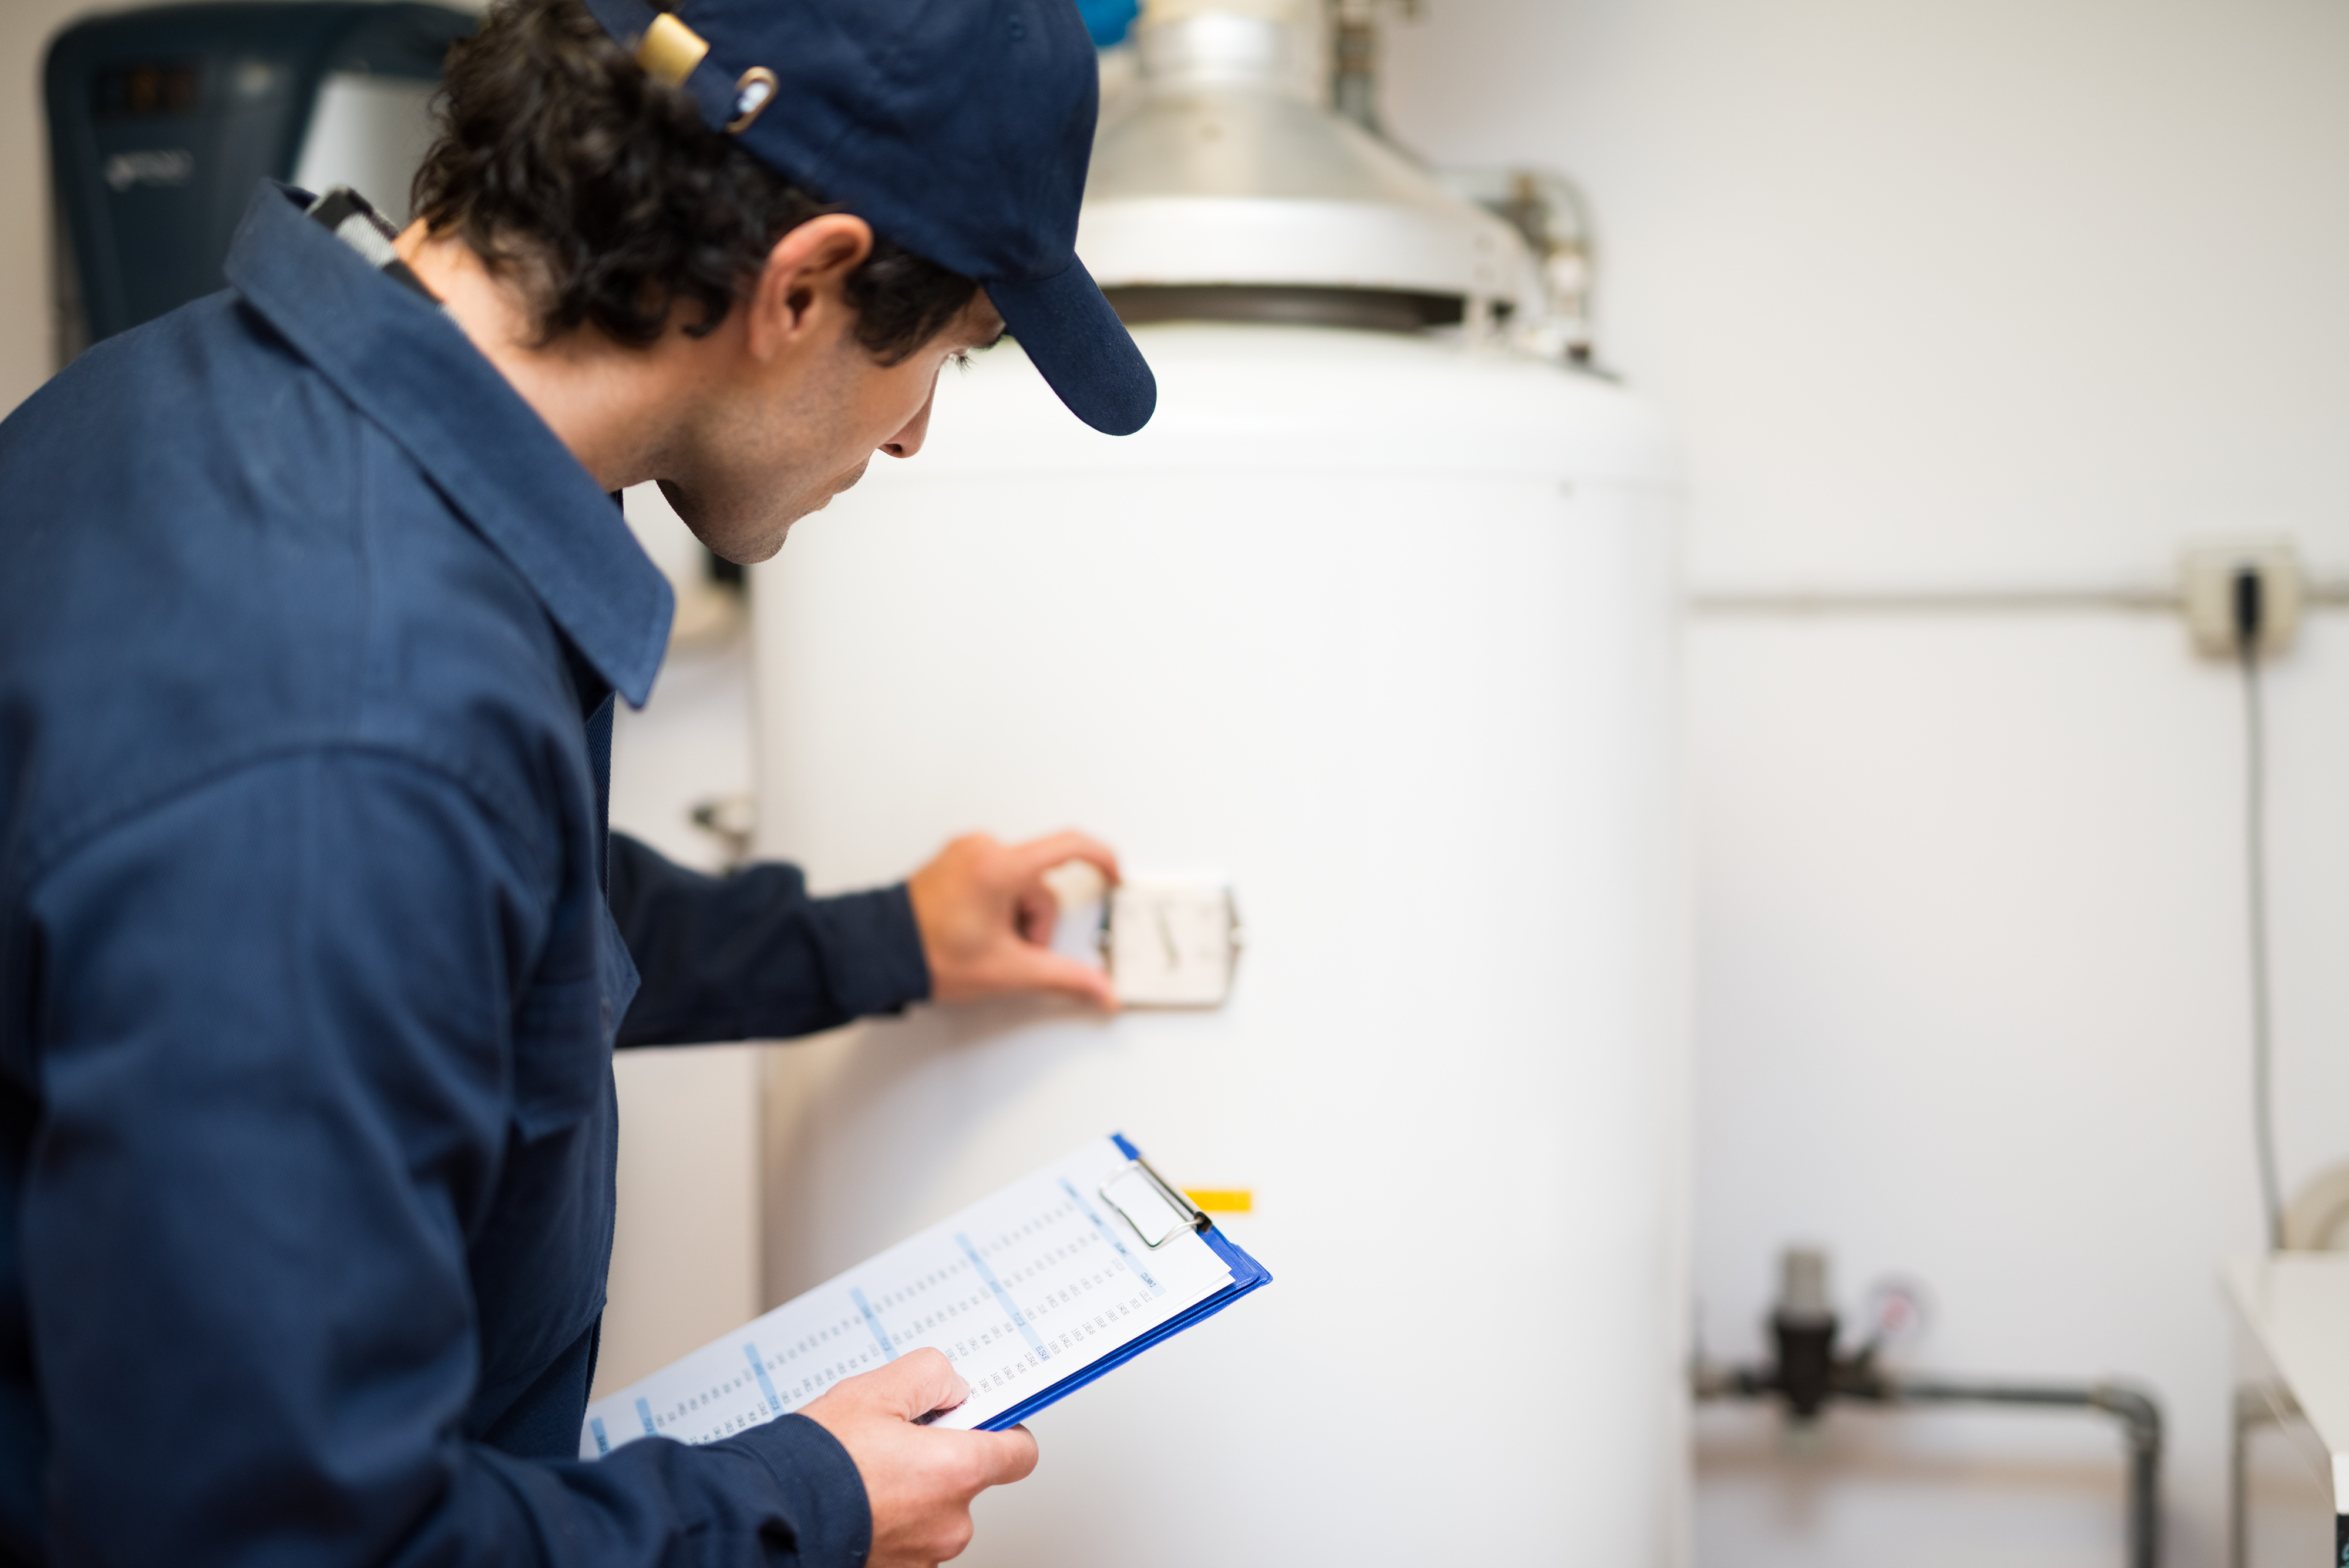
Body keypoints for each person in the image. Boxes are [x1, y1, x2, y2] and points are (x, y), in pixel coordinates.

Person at [0, 0, 1157, 1559]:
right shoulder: (347, 720)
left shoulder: (198, 411)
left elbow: (478, 925)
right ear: (804, 285)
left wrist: (884, 940)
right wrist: (801, 1506)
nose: (915, 440)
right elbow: (273, 1539)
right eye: (942, 352)